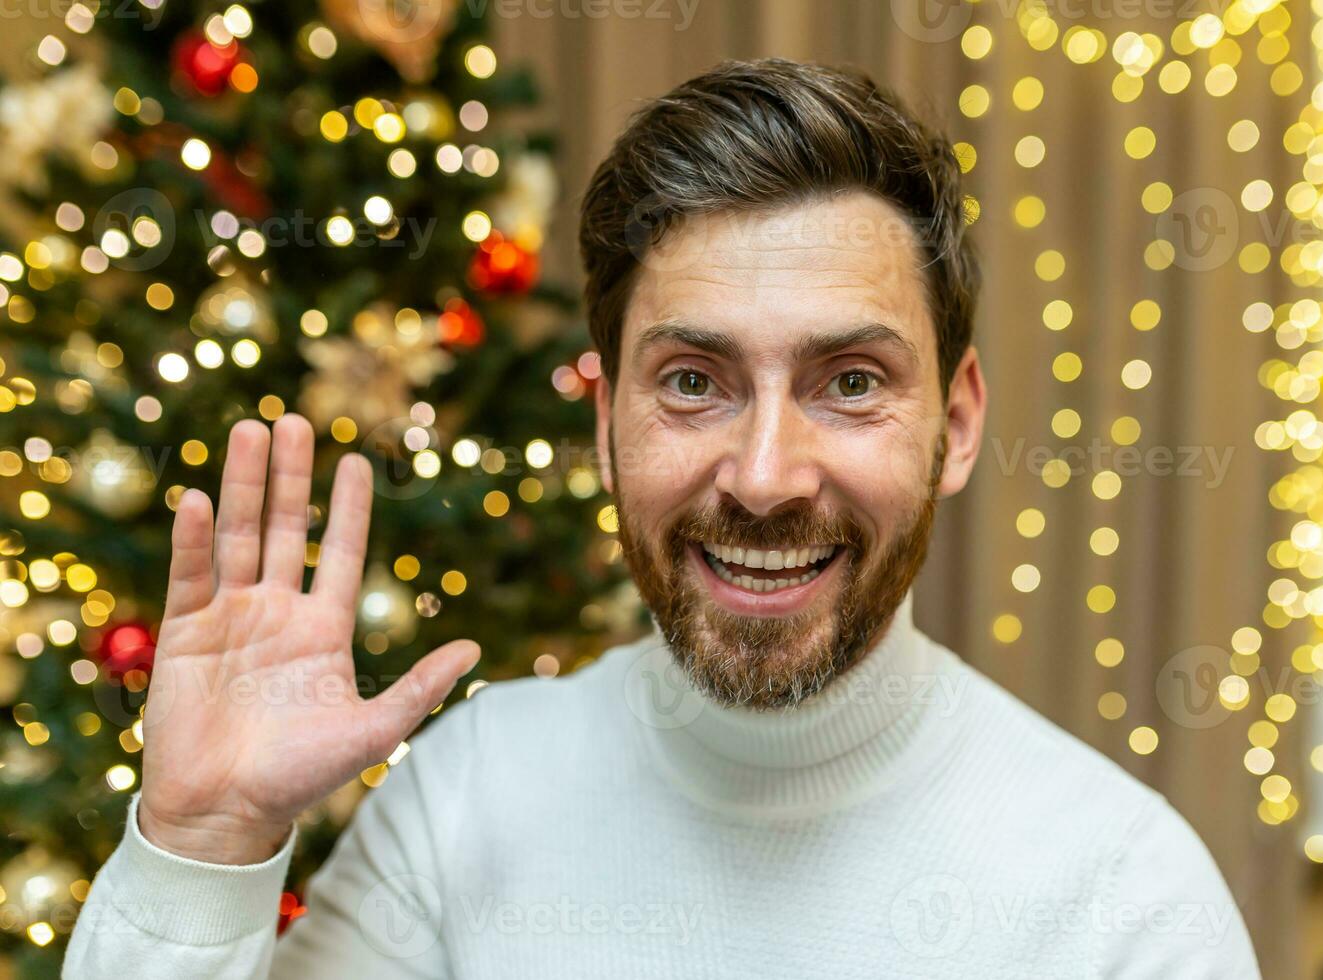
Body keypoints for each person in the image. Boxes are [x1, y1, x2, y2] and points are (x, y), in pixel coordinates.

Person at [64, 58, 1260, 977]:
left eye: (850, 381)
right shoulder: (461, 802)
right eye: (694, 380)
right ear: (604, 422)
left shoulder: (1122, 895)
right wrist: (201, 840)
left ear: (952, 423)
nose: (765, 474)